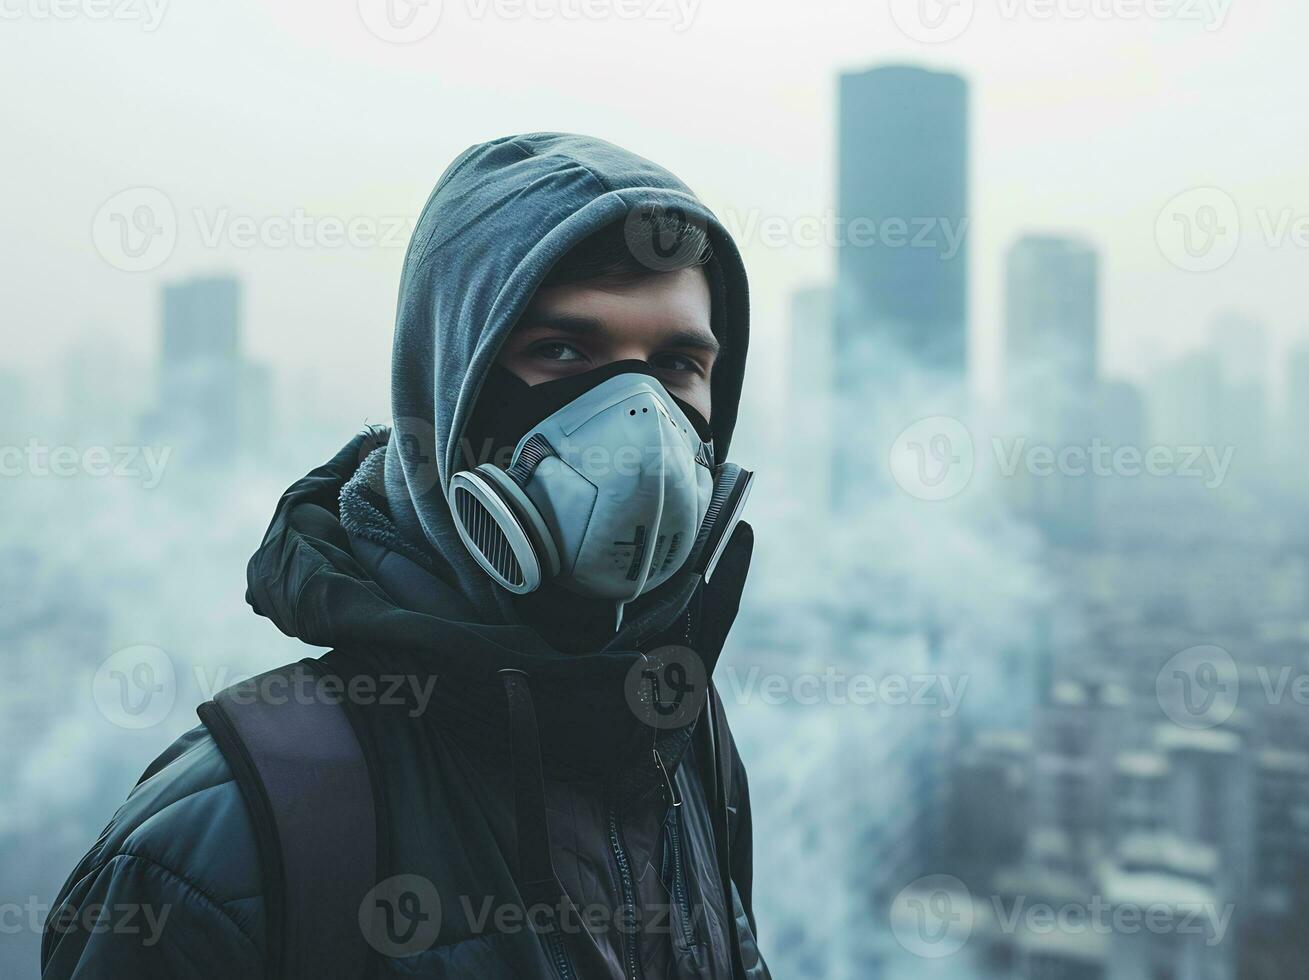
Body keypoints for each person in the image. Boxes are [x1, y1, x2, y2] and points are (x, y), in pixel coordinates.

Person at [43, 133, 768, 979]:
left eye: (679, 365)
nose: (640, 426)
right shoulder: (219, 850)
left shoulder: (681, 748)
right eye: (563, 351)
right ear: (445, 387)